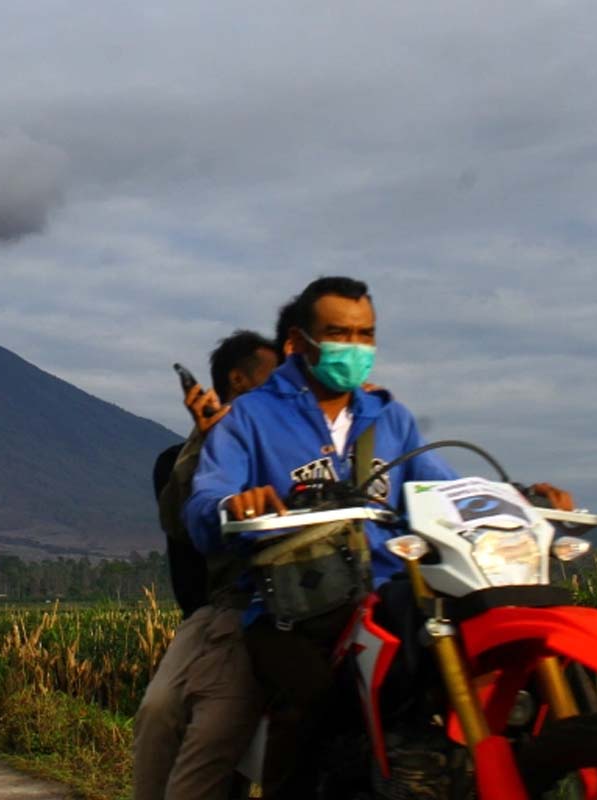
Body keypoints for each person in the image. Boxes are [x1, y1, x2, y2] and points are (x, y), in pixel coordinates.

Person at [183, 276, 573, 796]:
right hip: (294, 609)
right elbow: (205, 499)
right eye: (339, 333)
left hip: (391, 595)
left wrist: (521, 498)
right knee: (320, 707)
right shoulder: (250, 417)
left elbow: (446, 486)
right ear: (299, 341)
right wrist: (233, 503)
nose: (355, 347)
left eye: (366, 334)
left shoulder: (389, 416)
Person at [134, 330, 280, 800]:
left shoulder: (301, 445)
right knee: (160, 712)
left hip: (313, 598)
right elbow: (182, 522)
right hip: (227, 609)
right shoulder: (185, 461)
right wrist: (208, 437)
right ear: (237, 385)